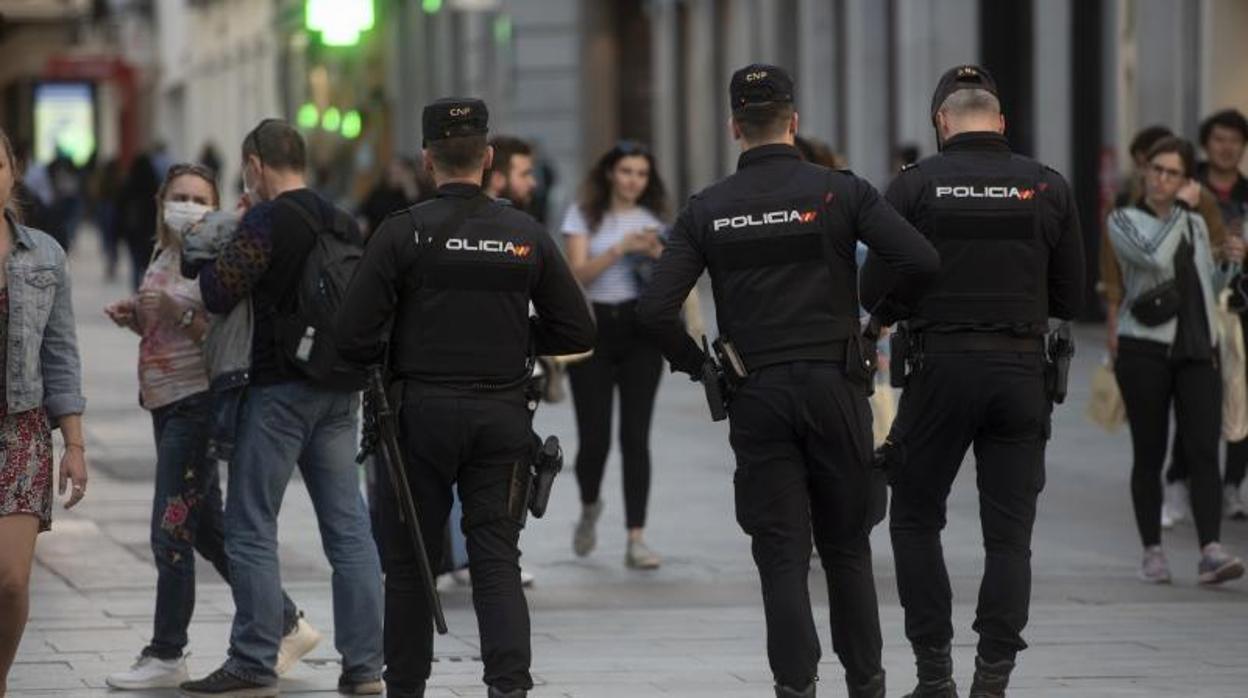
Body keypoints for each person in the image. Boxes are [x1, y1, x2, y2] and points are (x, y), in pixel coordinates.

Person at [639, 64, 940, 698]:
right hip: (836, 383)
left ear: (733, 127)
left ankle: (795, 688)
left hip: (757, 392)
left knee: (780, 555)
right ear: (794, 123)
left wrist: (702, 368)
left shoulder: (709, 208)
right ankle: (867, 684)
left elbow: (654, 311)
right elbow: (920, 259)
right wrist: (878, 319)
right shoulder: (840, 191)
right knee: (847, 549)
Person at [336, 98, 595, 698]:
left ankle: (405, 688)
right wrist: (517, 338)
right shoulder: (524, 234)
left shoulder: (403, 232)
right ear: (489, 158)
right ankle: (509, 688)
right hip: (501, 415)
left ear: (428, 160)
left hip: (416, 417)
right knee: (496, 558)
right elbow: (579, 330)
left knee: (410, 568)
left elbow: (351, 335)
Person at [861, 65, 1085, 696]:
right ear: (1002, 122)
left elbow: (871, 285)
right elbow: (1070, 293)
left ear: (941, 122)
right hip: (1020, 374)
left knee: (914, 517)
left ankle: (935, 675)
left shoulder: (914, 186)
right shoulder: (1048, 186)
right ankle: (994, 679)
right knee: (1009, 536)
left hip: (938, 370)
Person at [179, 119, 384, 697]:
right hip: (340, 388)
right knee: (349, 530)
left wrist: (222, 232)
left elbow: (219, 290)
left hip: (278, 388)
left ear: (254, 165)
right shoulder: (341, 217)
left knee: (249, 525)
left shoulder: (269, 218)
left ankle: (251, 659)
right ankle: (366, 667)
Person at [102, 163, 320, 690]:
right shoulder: (164, 251)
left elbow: (221, 332)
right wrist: (138, 315)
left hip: (197, 403)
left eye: (199, 198)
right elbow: (168, 323)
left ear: (215, 203)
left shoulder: (218, 252)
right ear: (160, 199)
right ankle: (286, 620)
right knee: (205, 527)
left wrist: (175, 311)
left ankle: (167, 650)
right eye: (178, 196)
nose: (188, 206)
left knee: (171, 531)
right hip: (165, 401)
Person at [1108, 136, 1246, 588]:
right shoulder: (1124, 218)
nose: (1163, 179)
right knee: (1148, 451)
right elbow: (1152, 255)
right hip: (1144, 349)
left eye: (1174, 173)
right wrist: (1183, 213)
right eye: (1157, 170)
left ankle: (1210, 549)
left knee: (1204, 449)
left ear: (1187, 179)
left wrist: (1229, 264)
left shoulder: (1196, 225)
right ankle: (1152, 551)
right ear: (1145, 173)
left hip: (1196, 349)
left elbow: (1206, 284)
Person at [0, 126, 88, 695]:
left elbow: (60, 354)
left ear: (13, 171)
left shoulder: (44, 253)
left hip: (21, 430)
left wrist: (74, 446)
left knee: (9, 581)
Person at [562, 140, 669, 569]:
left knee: (635, 437)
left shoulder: (655, 221)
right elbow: (575, 277)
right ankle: (589, 505)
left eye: (641, 174)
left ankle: (636, 537)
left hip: (641, 331)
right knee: (595, 438)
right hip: (595, 331)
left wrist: (659, 255)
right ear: (610, 173)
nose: (633, 181)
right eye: (626, 171)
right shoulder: (584, 215)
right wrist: (618, 250)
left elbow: (672, 280)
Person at [1197, 109, 1248, 519]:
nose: (1227, 148)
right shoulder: (1189, 188)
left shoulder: (1247, 194)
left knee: (1240, 396)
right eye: (1220, 139)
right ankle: (1183, 476)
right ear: (1206, 143)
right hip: (1196, 307)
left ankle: (1233, 482)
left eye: (1235, 140)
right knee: (1196, 395)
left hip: (1240, 308)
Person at [358, 157, 432, 237]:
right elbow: (363, 210)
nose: (394, 176)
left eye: (399, 172)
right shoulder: (379, 192)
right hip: (375, 236)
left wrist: (410, 188)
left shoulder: (416, 193)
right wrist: (362, 220)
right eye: (391, 173)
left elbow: (419, 217)